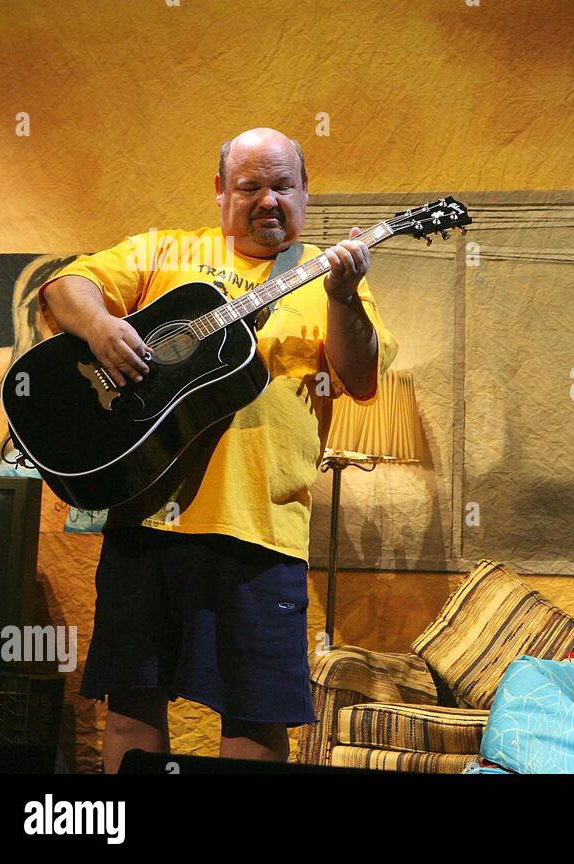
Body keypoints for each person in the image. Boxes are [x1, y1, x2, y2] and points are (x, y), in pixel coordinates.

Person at [39, 128, 397, 772]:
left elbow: (362, 376)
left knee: (255, 713)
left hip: (259, 531)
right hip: (145, 511)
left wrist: (343, 298)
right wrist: (98, 328)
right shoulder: (164, 251)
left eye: (283, 185)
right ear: (219, 192)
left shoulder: (327, 280)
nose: (268, 200)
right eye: (250, 186)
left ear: (306, 193)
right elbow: (68, 285)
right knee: (131, 703)